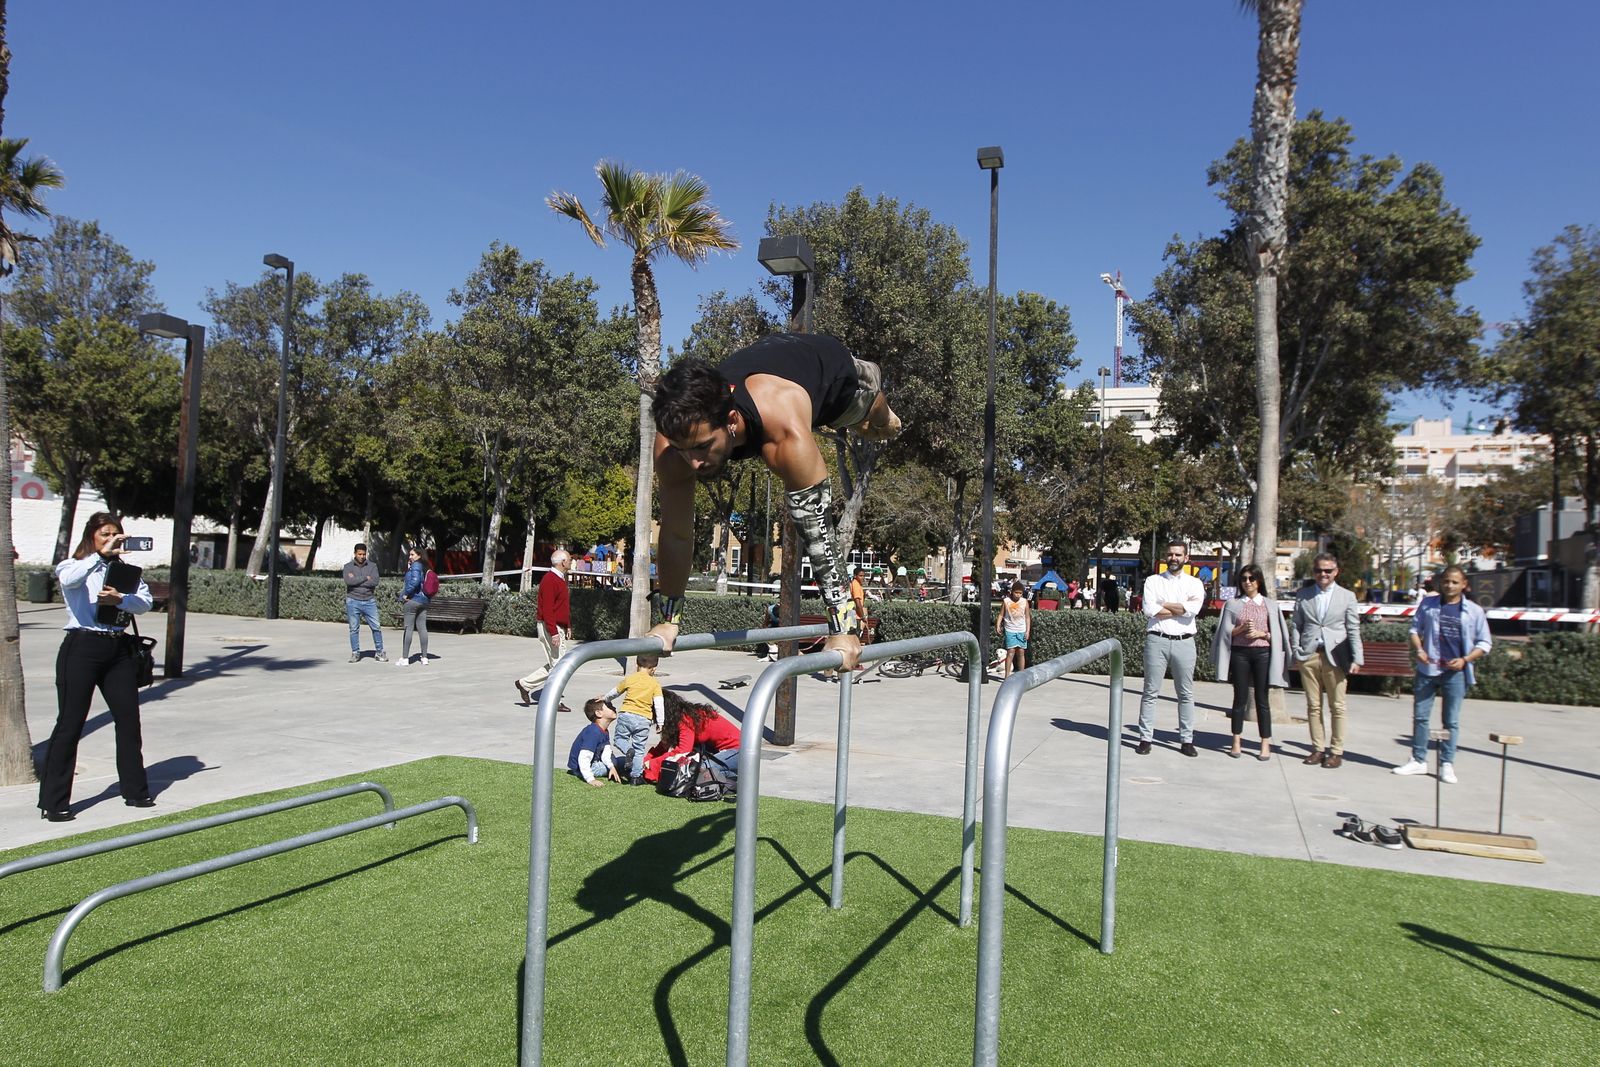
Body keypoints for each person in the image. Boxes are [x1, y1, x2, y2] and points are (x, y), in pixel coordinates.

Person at [649, 333, 901, 671]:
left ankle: (875, 397)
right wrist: (668, 620)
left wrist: (844, 627)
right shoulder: (675, 439)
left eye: (702, 446)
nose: (693, 462)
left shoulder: (783, 430)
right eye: (684, 449)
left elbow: (817, 531)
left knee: (873, 424)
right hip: (771, 360)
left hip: (827, 372)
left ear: (732, 421)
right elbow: (677, 535)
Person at [38, 512, 156, 820]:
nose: (111, 539)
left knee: (129, 720)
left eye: (115, 534)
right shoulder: (74, 565)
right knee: (70, 723)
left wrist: (120, 600)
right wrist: (99, 556)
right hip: (82, 646)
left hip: (117, 649)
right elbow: (68, 580)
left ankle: (135, 791)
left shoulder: (127, 571)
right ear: (92, 537)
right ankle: (54, 801)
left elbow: (144, 602)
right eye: (104, 534)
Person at [1393, 565, 1492, 783]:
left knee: (1451, 721)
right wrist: (1419, 649)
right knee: (1420, 717)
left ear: (1464, 585)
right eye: (1446, 581)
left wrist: (1465, 660)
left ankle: (1447, 763)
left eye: (1455, 582)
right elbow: (1414, 630)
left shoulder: (1474, 611)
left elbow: (1485, 643)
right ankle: (1418, 760)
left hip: (1455, 673)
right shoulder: (1428, 604)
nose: (1449, 585)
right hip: (1428, 669)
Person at [1290, 552, 1364, 769]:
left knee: (1337, 706)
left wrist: (1357, 658)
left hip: (1336, 656)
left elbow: (1353, 628)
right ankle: (1317, 749)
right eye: (1319, 570)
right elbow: (1297, 624)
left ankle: (1336, 751)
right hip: (1309, 655)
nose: (1323, 574)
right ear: (1314, 572)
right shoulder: (1303, 594)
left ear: (1336, 572)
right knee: (1313, 705)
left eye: (1328, 570)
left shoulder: (1347, 596)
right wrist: (1297, 650)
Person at [1211, 564, 1290, 761]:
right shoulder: (1233, 604)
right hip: (1240, 654)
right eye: (1244, 579)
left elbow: (1277, 635)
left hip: (1262, 653)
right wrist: (1242, 629)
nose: (1247, 582)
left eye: (1251, 578)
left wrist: (1262, 634)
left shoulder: (1270, 605)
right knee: (1240, 698)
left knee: (1262, 700)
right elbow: (1225, 632)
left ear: (1259, 581)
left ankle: (1265, 743)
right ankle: (1236, 740)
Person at [1135, 541, 1206, 757]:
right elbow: (1149, 609)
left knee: (1185, 693)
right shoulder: (1153, 581)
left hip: (1185, 642)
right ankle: (1145, 738)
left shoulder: (1194, 583)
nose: (1173, 558)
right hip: (1157, 640)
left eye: (1178, 554)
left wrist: (1165, 605)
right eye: (1170, 554)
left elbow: (1192, 610)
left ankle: (1186, 740)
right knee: (1150, 691)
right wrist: (1180, 607)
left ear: (1186, 558)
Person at [642, 690, 743, 786]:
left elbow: (682, 751)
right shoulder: (679, 718)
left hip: (739, 751)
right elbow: (663, 746)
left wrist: (652, 764)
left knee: (699, 771)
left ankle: (738, 778)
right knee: (694, 767)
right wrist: (644, 762)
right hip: (720, 751)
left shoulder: (686, 719)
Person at [516, 549, 573, 705]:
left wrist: (567, 625)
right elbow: (547, 609)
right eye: (569, 559)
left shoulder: (559, 579)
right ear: (563, 562)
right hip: (551, 626)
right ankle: (554, 701)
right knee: (561, 666)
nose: (570, 561)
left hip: (557, 625)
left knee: (557, 664)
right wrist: (553, 632)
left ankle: (525, 684)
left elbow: (561, 606)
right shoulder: (550, 580)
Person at [598, 653, 664, 782]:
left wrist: (604, 698)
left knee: (619, 739)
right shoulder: (655, 684)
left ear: (636, 665)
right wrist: (660, 722)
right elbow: (659, 704)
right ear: (654, 669)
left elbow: (615, 692)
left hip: (627, 714)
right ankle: (636, 777)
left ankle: (628, 750)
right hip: (644, 719)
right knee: (639, 748)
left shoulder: (631, 678)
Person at [342, 543, 386, 662]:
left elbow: (375, 581)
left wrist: (356, 579)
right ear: (355, 554)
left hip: (369, 600)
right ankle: (355, 652)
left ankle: (380, 651)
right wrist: (366, 578)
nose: (361, 556)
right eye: (359, 554)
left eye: (363, 554)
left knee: (376, 627)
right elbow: (349, 582)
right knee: (354, 629)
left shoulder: (372, 566)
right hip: (353, 600)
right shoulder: (348, 567)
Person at [568, 698, 623, 787]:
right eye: (609, 706)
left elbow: (606, 753)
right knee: (617, 764)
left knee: (621, 761)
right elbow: (584, 757)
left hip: (595, 761)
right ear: (598, 713)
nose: (614, 708)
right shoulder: (593, 731)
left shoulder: (604, 731)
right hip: (583, 768)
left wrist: (611, 767)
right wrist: (590, 779)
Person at [396, 546, 431, 667]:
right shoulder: (424, 567)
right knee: (422, 628)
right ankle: (425, 657)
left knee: (408, 628)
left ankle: (405, 658)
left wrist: (406, 594)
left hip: (413, 600)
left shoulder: (416, 566)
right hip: (423, 601)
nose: (410, 557)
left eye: (412, 555)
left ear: (419, 555)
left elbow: (415, 581)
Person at [995, 580, 1032, 679]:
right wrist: (998, 625)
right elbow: (1001, 614)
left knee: (1021, 652)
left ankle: (1021, 676)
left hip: (1021, 630)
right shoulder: (1006, 601)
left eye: (1020, 593)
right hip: (1010, 629)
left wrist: (1027, 631)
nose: (1018, 595)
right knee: (1010, 651)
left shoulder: (1024, 602)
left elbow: (1027, 617)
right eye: (1016, 592)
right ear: (1012, 591)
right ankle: (1007, 676)